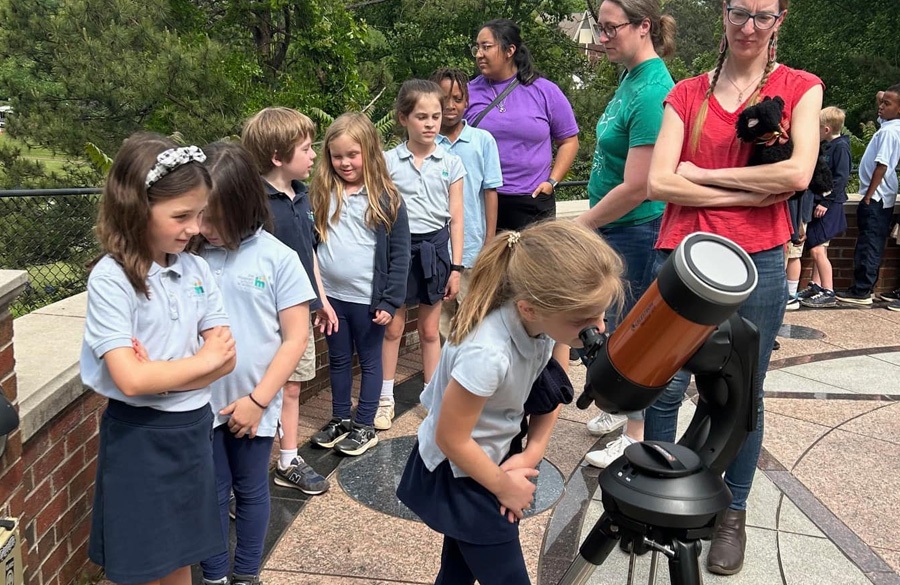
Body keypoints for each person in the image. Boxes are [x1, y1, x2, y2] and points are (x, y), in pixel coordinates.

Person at [646, 0, 824, 574]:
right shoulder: (688, 94)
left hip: (760, 261)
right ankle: (657, 496)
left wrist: (702, 176)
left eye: (763, 16)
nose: (749, 27)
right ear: (723, 14)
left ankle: (732, 512)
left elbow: (796, 175)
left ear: (781, 20)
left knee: (742, 394)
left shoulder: (802, 87)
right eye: (739, 12)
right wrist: (750, 193)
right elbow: (657, 181)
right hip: (683, 256)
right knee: (663, 384)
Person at [397, 221, 624, 585]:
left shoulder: (546, 323)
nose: (597, 328)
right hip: (462, 470)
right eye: (584, 320)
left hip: (491, 454)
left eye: (602, 315)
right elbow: (451, 438)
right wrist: (503, 485)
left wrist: (533, 451)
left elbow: (552, 391)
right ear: (530, 308)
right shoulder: (488, 353)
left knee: (457, 568)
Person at [80, 133, 237, 585]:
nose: (195, 227)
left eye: (200, 214)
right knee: (142, 566)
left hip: (191, 432)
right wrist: (196, 363)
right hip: (140, 439)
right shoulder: (113, 279)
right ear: (135, 209)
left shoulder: (196, 269)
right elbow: (130, 382)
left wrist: (160, 374)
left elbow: (226, 358)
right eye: (181, 215)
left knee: (181, 560)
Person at [195, 143, 316, 585]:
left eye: (214, 216)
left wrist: (259, 400)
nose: (203, 227)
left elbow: (295, 337)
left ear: (244, 203)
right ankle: (213, 576)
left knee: (250, 490)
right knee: (210, 494)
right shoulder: (192, 257)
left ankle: (246, 575)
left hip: (254, 405)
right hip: (199, 405)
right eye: (198, 214)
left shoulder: (278, 259)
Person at [573, 0, 675, 469]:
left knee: (634, 330)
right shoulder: (628, 79)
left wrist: (585, 222)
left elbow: (639, 186)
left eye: (611, 28)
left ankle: (635, 436)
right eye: (601, 28)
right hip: (614, 225)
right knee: (614, 323)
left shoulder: (654, 90)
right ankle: (621, 410)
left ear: (643, 26)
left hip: (637, 227)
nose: (603, 37)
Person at [465, 17, 579, 375]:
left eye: (487, 46)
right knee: (491, 282)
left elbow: (569, 139)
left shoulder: (544, 91)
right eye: (477, 47)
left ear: (510, 50)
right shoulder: (469, 92)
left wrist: (553, 180)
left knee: (537, 282)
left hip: (532, 200)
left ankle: (546, 365)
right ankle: (492, 359)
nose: (479, 54)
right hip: (485, 202)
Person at [242, 107, 333, 494]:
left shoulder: (303, 196)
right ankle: (244, 474)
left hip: (297, 311)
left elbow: (308, 253)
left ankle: (288, 458)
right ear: (279, 157)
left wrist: (321, 300)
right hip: (262, 315)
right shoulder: (254, 202)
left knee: (293, 386)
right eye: (307, 148)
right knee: (257, 387)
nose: (314, 156)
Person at [308, 113, 411, 452]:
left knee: (369, 361)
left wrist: (390, 301)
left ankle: (364, 423)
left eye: (352, 154)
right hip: (331, 299)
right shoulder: (324, 192)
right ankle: (339, 418)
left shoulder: (387, 199)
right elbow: (312, 243)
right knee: (338, 359)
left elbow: (400, 256)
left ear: (369, 152)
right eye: (337, 156)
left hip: (368, 299)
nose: (344, 162)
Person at [382, 79, 465, 429]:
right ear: (403, 118)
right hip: (398, 250)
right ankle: (384, 397)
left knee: (431, 330)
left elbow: (458, 217)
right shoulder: (387, 162)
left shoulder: (451, 162)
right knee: (393, 328)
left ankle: (431, 397)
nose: (430, 123)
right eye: (421, 117)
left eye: (435, 116)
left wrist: (456, 267)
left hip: (435, 250)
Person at [430, 68, 503, 341]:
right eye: (443, 98)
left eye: (457, 98)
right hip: (436, 250)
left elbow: (490, 192)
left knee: (475, 323)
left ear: (467, 101)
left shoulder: (482, 141)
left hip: (472, 248)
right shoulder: (425, 143)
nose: (450, 106)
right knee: (440, 326)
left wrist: (489, 241)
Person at [836, 86, 900, 308]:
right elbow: (883, 98)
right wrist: (885, 97)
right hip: (880, 197)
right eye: (882, 103)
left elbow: (881, 166)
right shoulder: (892, 125)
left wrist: (867, 196)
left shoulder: (889, 132)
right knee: (868, 242)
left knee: (869, 244)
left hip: (876, 198)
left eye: (887, 105)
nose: (881, 106)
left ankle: (862, 290)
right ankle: (861, 287)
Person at [799, 106, 851, 308]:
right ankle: (816, 286)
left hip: (829, 205)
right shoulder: (828, 147)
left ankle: (828, 291)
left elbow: (841, 179)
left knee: (817, 250)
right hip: (821, 203)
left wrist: (826, 203)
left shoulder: (840, 148)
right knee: (819, 246)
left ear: (826, 129)